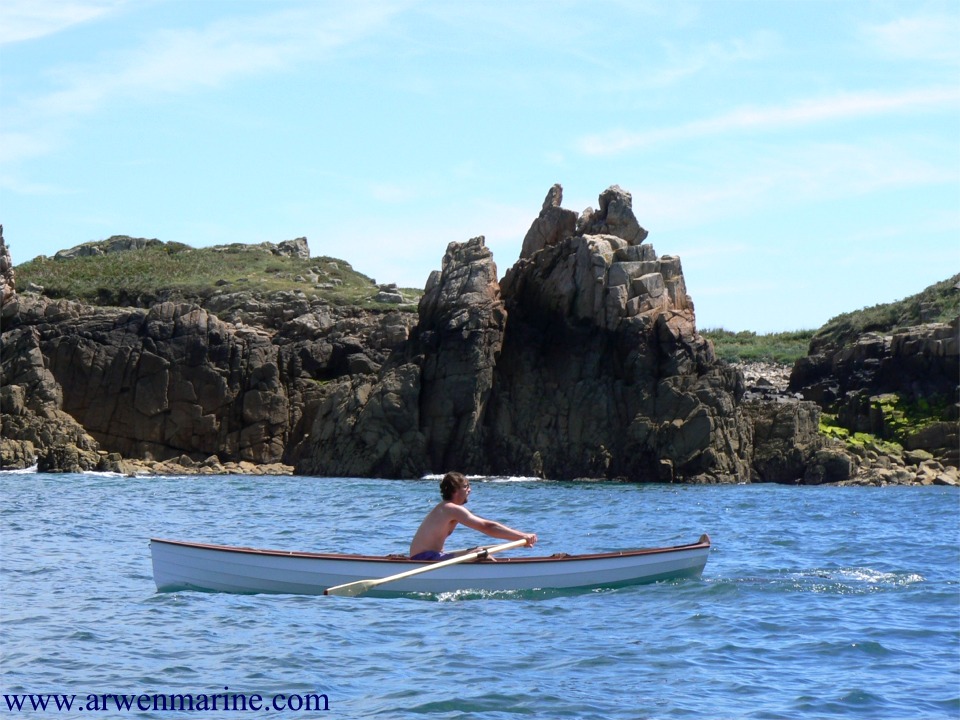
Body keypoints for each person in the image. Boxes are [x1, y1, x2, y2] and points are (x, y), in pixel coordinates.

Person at [409, 472, 537, 561]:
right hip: (424, 559)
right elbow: (487, 527)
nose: (470, 490)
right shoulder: (450, 509)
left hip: (432, 556)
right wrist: (522, 536)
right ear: (454, 490)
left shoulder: (448, 508)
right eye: (466, 487)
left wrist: (518, 541)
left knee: (478, 550)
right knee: (481, 555)